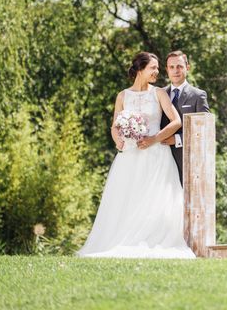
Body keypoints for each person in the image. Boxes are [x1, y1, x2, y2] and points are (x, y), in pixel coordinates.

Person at [78, 52, 195, 258]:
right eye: (153, 68)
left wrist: (155, 138)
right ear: (140, 69)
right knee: (127, 199)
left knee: (155, 200)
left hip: (156, 155)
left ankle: (153, 238)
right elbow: (115, 125)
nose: (157, 72)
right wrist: (118, 140)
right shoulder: (123, 96)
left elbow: (176, 121)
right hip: (129, 157)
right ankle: (122, 239)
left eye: (158, 68)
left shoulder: (159, 93)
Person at [160, 50, 210, 186]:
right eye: (171, 67)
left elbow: (205, 131)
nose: (175, 71)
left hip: (186, 161)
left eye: (179, 66)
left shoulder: (198, 96)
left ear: (187, 67)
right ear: (167, 70)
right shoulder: (159, 94)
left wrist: (176, 139)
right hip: (159, 158)